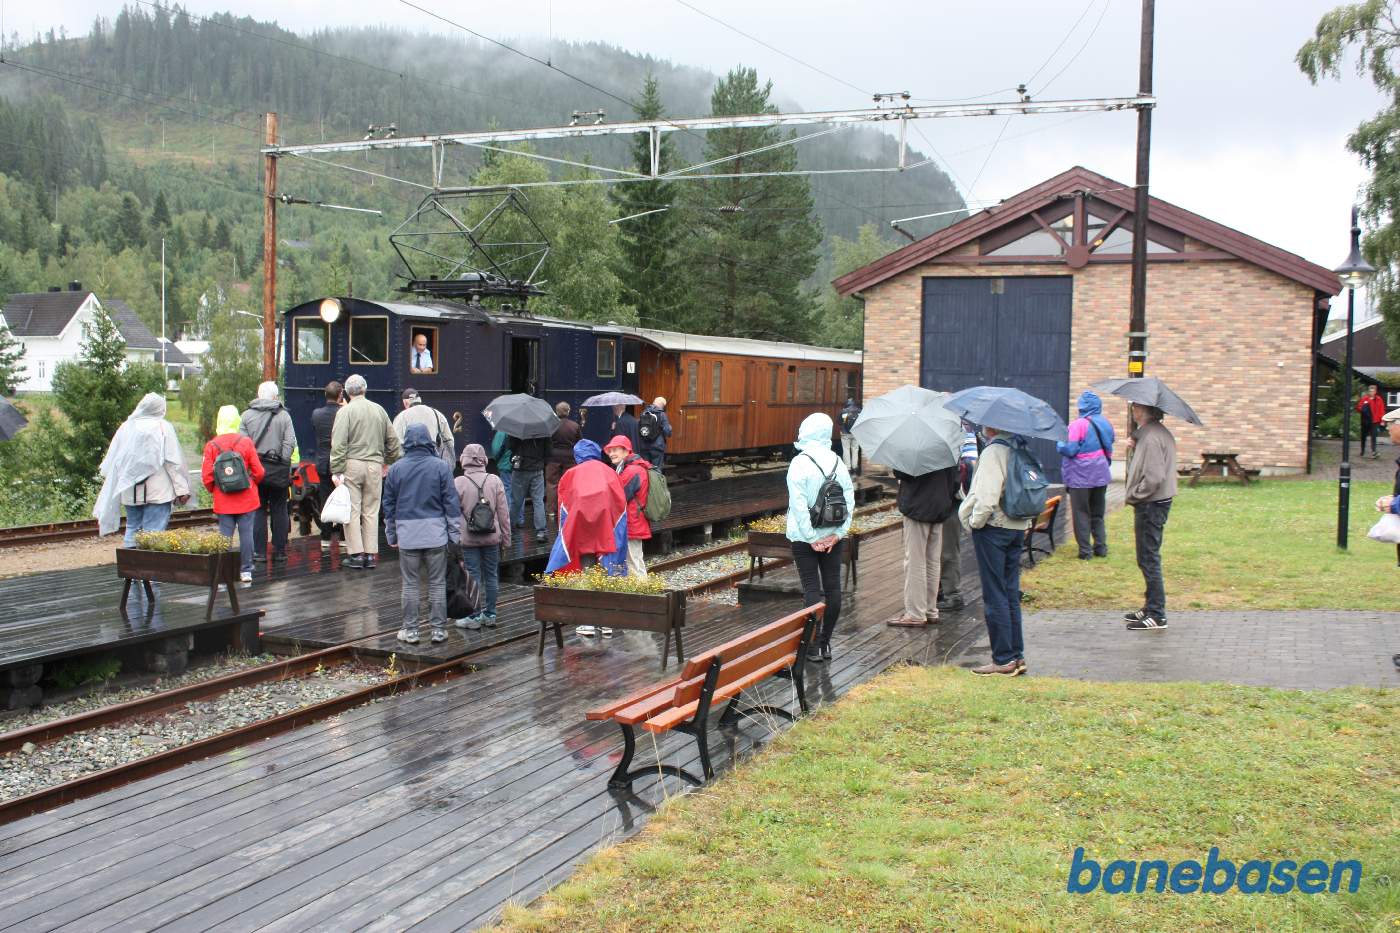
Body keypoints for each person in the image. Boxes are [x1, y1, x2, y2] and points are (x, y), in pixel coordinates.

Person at [960, 425, 1033, 676]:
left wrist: (975, 522)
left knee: (995, 595)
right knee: (1010, 592)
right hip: (1016, 525)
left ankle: (1002, 659)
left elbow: (987, 496)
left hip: (995, 527)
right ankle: (1016, 655)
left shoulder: (994, 452)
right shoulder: (1019, 446)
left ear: (992, 426)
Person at [382, 423, 460, 645]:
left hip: (408, 535)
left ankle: (411, 631)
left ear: (406, 441)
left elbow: (388, 505)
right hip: (436, 534)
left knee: (410, 584)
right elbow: (451, 503)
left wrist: (392, 534)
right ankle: (438, 630)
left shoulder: (396, 469)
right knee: (436, 583)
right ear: (429, 440)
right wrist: (454, 535)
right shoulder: (441, 467)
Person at [786, 412, 855, 664]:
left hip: (805, 539)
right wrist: (837, 535)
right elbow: (849, 501)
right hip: (832, 538)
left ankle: (812, 646)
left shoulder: (799, 463)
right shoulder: (837, 461)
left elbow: (797, 505)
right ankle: (825, 643)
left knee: (811, 590)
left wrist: (811, 537)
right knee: (833, 589)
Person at [549, 439, 628, 636]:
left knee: (587, 572)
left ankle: (589, 623)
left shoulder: (571, 474)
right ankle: (606, 622)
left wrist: (565, 533)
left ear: (577, 456)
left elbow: (563, 504)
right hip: (606, 530)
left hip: (582, 531)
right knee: (607, 573)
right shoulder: (609, 472)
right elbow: (620, 502)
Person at [95, 393, 191, 546]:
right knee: (154, 534)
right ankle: (149, 568)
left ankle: (130, 565)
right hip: (158, 491)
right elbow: (173, 461)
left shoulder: (126, 427)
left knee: (132, 529)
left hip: (130, 490)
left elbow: (114, 459)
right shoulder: (163, 427)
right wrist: (182, 489)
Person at [330, 374, 402, 570]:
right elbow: (394, 442)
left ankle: (356, 554)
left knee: (352, 510)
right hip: (374, 465)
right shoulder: (379, 410)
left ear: (346, 391)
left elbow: (338, 444)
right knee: (371, 510)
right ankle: (371, 555)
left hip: (352, 464)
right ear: (365, 389)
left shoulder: (345, 412)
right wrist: (387, 462)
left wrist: (336, 470)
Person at [1123, 403, 1177, 631]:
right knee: (1146, 557)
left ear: (1144, 411)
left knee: (1148, 557)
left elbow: (1154, 476)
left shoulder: (1152, 437)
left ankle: (1157, 613)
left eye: (1136, 408)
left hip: (1151, 503)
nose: (1133, 411)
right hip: (1155, 501)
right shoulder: (1153, 434)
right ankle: (1151, 606)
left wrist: (1136, 494)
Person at [887, 463, 960, 627]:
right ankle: (930, 610)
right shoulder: (948, 447)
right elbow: (956, 481)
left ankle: (915, 613)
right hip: (940, 507)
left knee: (915, 561)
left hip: (917, 506)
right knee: (933, 561)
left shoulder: (915, 446)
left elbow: (901, 472)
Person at [202, 404, 265, 584]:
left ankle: (224, 573)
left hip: (224, 501)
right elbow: (259, 471)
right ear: (237, 420)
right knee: (246, 534)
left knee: (224, 536)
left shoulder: (212, 445)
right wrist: (251, 483)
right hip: (247, 499)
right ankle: (246, 571)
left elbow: (206, 477)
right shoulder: (245, 442)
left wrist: (216, 490)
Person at [454, 443, 512, 629]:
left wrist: (454, 539)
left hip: (469, 540)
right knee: (492, 575)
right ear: (484, 460)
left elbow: (453, 514)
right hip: (492, 538)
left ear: (464, 460)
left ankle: (474, 616)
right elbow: (504, 513)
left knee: (473, 576)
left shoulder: (458, 482)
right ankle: (491, 614)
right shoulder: (494, 480)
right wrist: (506, 538)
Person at [239, 381, 297, 565]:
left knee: (258, 510)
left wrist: (252, 464)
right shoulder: (284, 416)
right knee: (279, 509)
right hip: (278, 470)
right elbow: (290, 443)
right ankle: (280, 552)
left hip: (255, 472)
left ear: (258, 395)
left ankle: (260, 553)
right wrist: (282, 461)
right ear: (275, 396)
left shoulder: (246, 415)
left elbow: (242, 445)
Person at [1057, 390, 1115, 560]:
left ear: (1082, 406)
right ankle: (1101, 548)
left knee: (1081, 513)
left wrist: (1059, 443)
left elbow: (1069, 449)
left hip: (1080, 477)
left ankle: (1085, 551)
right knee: (1097, 513)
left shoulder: (1078, 425)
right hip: (1101, 474)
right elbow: (1109, 445)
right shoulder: (1106, 423)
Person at [937, 428, 979, 612]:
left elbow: (971, 465)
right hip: (941, 498)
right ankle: (940, 590)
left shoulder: (963, 432)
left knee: (948, 549)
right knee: (941, 549)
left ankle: (952, 594)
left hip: (952, 499)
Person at [604, 434, 652, 577]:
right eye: (610, 451)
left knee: (633, 562)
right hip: (634, 520)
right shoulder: (631, 467)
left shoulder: (631, 471)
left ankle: (642, 596)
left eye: (615, 450)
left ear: (626, 451)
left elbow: (619, 497)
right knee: (634, 559)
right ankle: (643, 592)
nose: (611, 454)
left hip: (632, 522)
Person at [310, 380, 345, 551]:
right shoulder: (344, 412)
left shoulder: (316, 414)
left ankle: (325, 539)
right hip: (341, 463)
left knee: (325, 501)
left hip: (323, 463)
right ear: (340, 395)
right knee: (346, 499)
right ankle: (344, 538)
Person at [392, 388, 455, 467]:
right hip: (434, 461)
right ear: (420, 399)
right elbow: (449, 440)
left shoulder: (401, 417)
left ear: (405, 402)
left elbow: (396, 445)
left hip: (410, 463)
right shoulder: (437, 414)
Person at [547, 401, 581, 519]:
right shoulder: (575, 426)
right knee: (569, 483)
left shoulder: (550, 425)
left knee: (551, 484)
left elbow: (547, 442)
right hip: (570, 457)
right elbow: (579, 443)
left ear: (556, 412)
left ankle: (551, 511)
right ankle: (568, 508)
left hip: (553, 457)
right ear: (568, 411)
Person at [510, 431, 549, 534]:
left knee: (516, 501)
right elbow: (549, 451)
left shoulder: (517, 428)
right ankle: (541, 532)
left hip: (520, 469)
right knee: (538, 501)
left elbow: (509, 446)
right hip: (537, 469)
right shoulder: (543, 429)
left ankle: (509, 528)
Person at [637, 397, 673, 469]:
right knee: (656, 470)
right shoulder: (662, 414)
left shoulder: (644, 412)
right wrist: (669, 428)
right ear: (662, 405)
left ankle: (647, 480)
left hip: (644, 446)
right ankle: (656, 480)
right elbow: (667, 432)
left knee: (646, 468)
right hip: (657, 446)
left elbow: (639, 429)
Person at [1357, 384, 1385, 459]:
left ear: (1375, 391)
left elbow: (1381, 410)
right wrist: (1363, 408)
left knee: (1374, 437)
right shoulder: (1365, 399)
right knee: (1363, 437)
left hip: (1375, 421)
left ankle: (1374, 452)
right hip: (1366, 421)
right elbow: (1358, 407)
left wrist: (1382, 420)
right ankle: (1362, 451)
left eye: (1373, 391)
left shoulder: (1379, 399)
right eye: (1370, 391)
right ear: (1368, 391)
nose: (1371, 392)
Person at [490, 429, 514, 507]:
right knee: (519, 492)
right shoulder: (519, 429)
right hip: (519, 465)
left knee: (507, 489)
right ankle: (520, 517)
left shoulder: (502, 431)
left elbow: (496, 449)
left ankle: (509, 516)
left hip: (506, 465)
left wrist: (497, 459)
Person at [839, 397, 862, 471]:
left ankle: (847, 467)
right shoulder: (859, 411)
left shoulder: (843, 411)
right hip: (856, 433)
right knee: (855, 449)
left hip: (845, 433)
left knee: (846, 449)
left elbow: (839, 422)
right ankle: (855, 467)